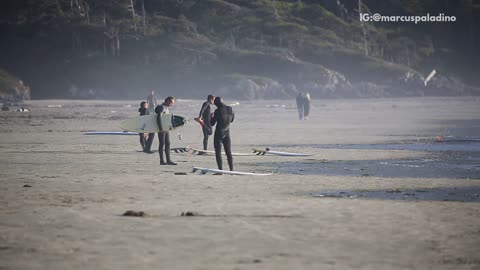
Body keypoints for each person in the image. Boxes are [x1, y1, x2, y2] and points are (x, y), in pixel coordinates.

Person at [211, 96, 234, 171]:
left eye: (215, 104)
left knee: (218, 152)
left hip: (219, 133)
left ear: (217, 103)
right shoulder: (230, 109)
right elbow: (232, 120)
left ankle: (220, 171)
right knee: (228, 152)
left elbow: (212, 123)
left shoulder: (218, 110)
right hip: (227, 132)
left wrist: (211, 116)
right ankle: (231, 170)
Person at [155, 96, 176, 165]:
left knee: (168, 143)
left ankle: (168, 160)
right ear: (167, 101)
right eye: (171, 102)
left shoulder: (166, 108)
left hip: (166, 128)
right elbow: (158, 117)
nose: (172, 104)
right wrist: (160, 128)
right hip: (161, 128)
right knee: (162, 144)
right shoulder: (162, 107)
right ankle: (162, 161)